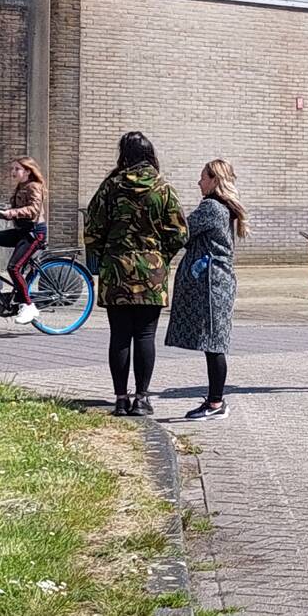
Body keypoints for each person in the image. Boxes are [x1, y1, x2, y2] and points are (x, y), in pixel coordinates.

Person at [84, 132, 188, 417]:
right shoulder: (162, 188)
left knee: (119, 336)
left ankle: (120, 399)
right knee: (145, 335)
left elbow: (91, 230)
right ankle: (141, 398)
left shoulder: (110, 186)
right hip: (151, 273)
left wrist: (106, 255)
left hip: (116, 270)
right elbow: (180, 233)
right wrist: (160, 257)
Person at [165, 159, 249, 421]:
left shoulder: (212, 207)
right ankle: (215, 400)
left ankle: (215, 403)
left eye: (202, 177)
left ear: (214, 180)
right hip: (216, 281)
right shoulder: (221, 207)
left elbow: (182, 232)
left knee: (214, 343)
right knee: (214, 342)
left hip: (212, 283)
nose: (198, 182)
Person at [0, 157, 47, 324]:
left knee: (14, 267)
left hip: (34, 234)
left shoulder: (34, 186)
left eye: (17, 169)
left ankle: (28, 306)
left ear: (27, 171)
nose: (13, 172)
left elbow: (33, 210)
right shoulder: (21, 186)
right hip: (22, 231)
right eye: (12, 169)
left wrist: (10, 213)